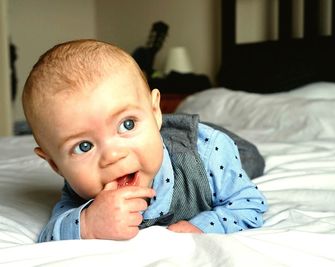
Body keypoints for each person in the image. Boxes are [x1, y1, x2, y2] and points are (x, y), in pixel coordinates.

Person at [22, 39, 267, 242]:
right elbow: (51, 235)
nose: (113, 156)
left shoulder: (209, 152)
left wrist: (203, 226)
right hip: (159, 132)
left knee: (251, 160)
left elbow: (249, 205)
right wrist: (87, 224)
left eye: (127, 124)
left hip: (198, 143)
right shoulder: (80, 186)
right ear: (55, 164)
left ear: (155, 111)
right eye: (83, 146)